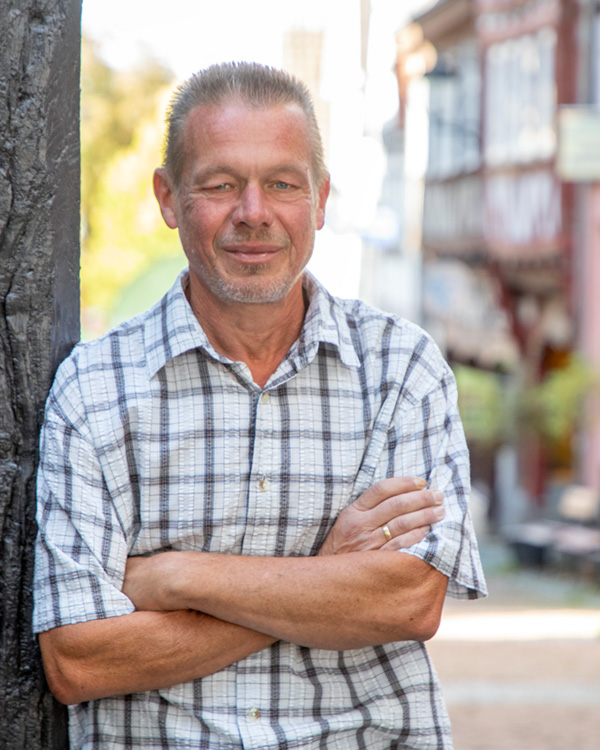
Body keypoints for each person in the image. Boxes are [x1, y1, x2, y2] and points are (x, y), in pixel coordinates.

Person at [33, 61, 487, 749]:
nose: (254, 213)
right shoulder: (95, 389)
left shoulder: (402, 368)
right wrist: (326, 579)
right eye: (220, 185)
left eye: (282, 184)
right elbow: (78, 659)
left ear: (322, 199)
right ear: (167, 197)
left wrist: (178, 576)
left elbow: (408, 601)